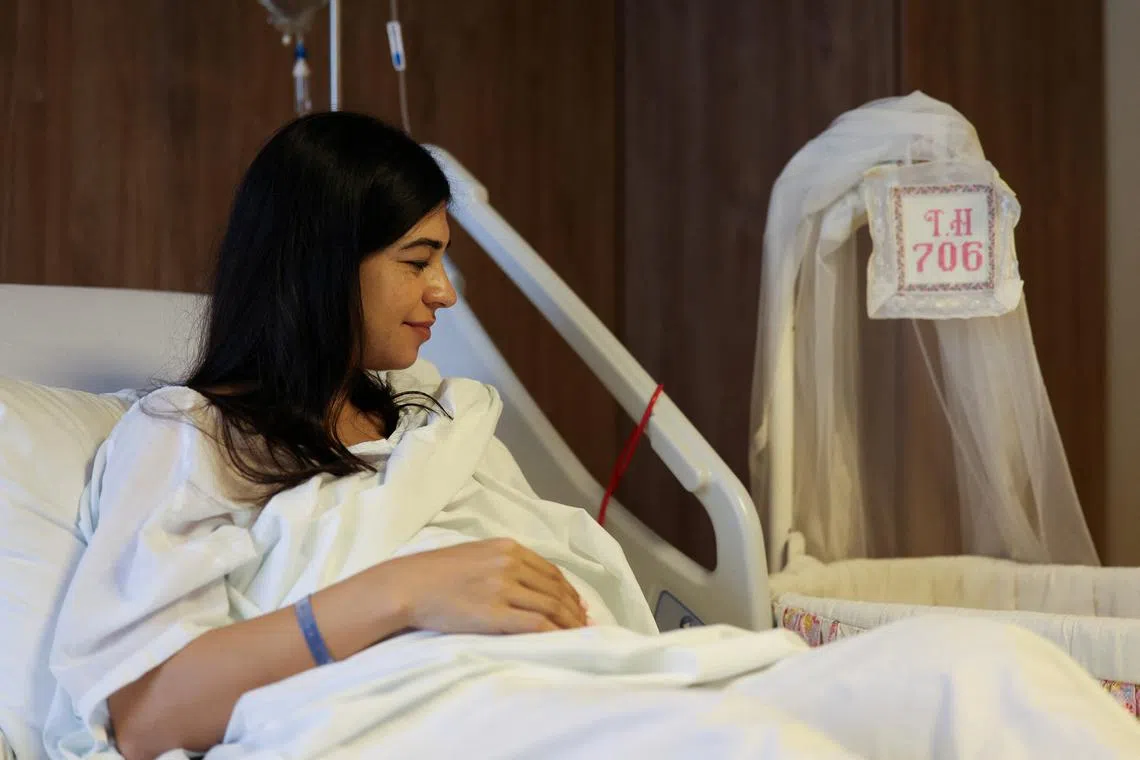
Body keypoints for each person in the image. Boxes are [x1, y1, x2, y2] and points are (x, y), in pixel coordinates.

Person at [43, 112, 1140, 760]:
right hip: (413, 716)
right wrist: (407, 590)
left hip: (604, 677)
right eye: (418, 261)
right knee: (763, 751)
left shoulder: (435, 419)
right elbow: (145, 711)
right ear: (327, 260)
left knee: (988, 669)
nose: (445, 295)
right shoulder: (190, 436)